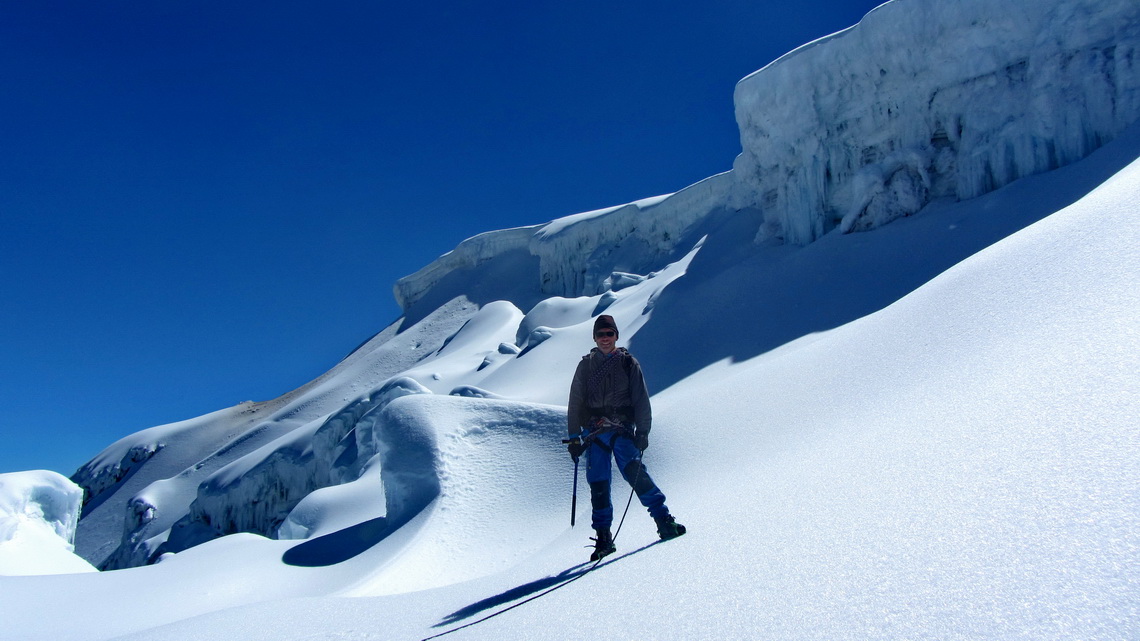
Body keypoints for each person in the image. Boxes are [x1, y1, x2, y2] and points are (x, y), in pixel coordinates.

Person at [567, 314, 685, 561]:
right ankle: (604, 538)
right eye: (601, 334)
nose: (605, 339)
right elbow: (575, 401)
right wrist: (574, 436)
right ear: (594, 337)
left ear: (616, 336)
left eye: (609, 334)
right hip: (595, 432)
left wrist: (643, 431)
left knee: (636, 475)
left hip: (619, 429)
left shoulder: (629, 364)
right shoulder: (585, 366)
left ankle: (663, 520)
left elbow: (641, 398)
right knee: (598, 486)